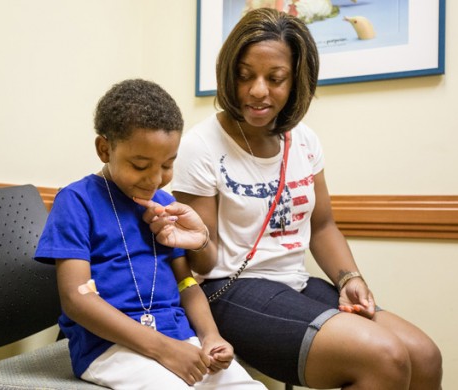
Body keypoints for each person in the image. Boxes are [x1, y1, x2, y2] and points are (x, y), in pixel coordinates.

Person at [171, 8, 442, 390]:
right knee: (385, 357)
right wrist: (196, 239)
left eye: (275, 78)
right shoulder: (200, 147)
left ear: (296, 80)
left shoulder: (304, 140)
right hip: (232, 290)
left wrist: (350, 277)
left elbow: (323, 225)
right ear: (228, 73)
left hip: (295, 282)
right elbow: (203, 258)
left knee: (424, 355)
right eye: (244, 75)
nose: (257, 90)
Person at [34, 79, 266, 389]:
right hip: (110, 347)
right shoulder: (76, 202)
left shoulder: (167, 207)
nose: (156, 180)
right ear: (105, 149)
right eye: (140, 165)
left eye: (168, 165)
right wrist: (164, 349)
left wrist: (210, 337)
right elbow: (77, 300)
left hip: (180, 338)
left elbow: (187, 284)